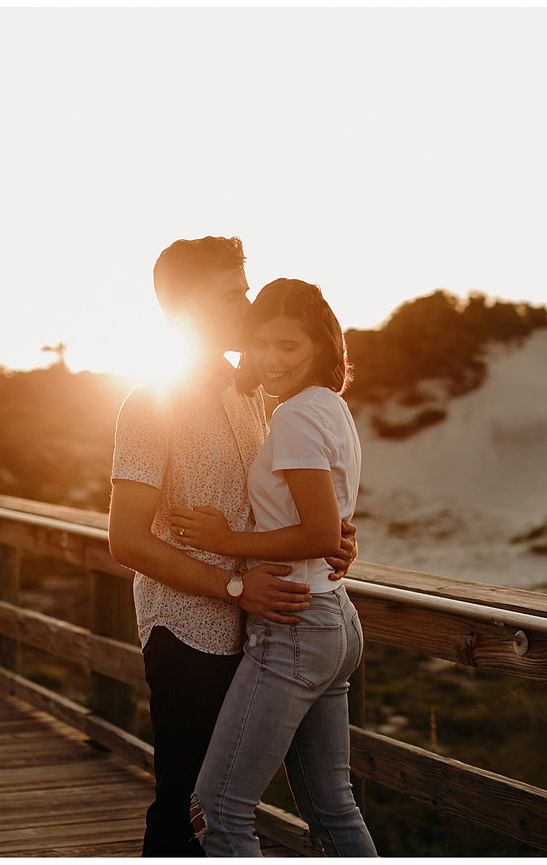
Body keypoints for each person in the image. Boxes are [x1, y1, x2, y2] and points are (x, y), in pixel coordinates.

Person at [108, 237, 357, 857]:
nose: (248, 305)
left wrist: (331, 536)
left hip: (264, 626)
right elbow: (126, 538)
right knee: (185, 812)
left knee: (256, 808)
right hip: (188, 631)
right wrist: (234, 586)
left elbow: (277, 502)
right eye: (232, 294)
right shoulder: (151, 401)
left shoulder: (252, 394)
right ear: (186, 306)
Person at [172, 278, 377, 857]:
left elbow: (319, 533)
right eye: (260, 343)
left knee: (217, 811)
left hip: (295, 624)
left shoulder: (294, 417)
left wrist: (225, 539)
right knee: (333, 809)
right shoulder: (328, 406)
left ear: (320, 345)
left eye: (288, 345)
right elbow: (329, 523)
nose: (271, 359)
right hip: (333, 619)